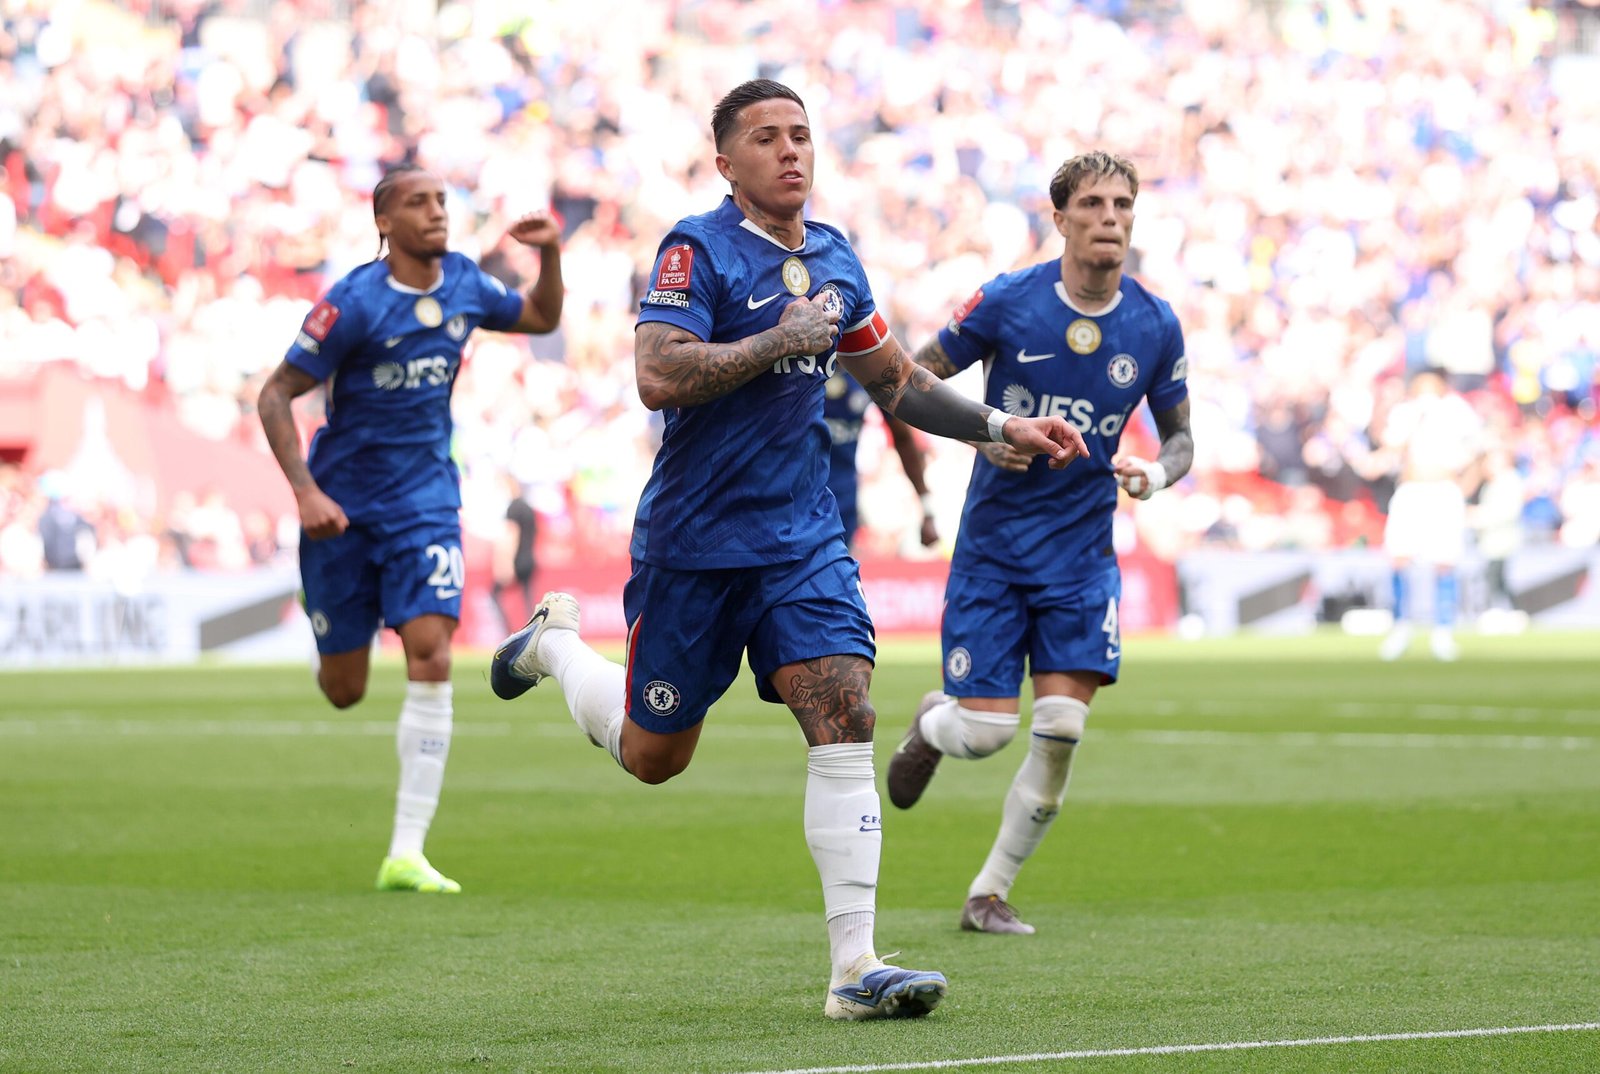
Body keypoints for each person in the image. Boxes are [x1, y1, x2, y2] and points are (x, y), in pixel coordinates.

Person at [489, 79, 1087, 1019]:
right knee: (654, 755)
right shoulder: (697, 249)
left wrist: (997, 426)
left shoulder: (837, 256)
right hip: (696, 541)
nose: (790, 150)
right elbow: (656, 374)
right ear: (726, 163)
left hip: (803, 540)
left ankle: (855, 970)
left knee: (845, 711)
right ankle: (556, 645)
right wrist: (775, 341)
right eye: (766, 138)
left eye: (801, 134)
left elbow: (894, 380)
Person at [885, 151, 1192, 936]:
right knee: (985, 734)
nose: (1109, 218)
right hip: (994, 550)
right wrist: (985, 434)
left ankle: (988, 893)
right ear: (1059, 218)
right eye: (1091, 204)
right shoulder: (1008, 301)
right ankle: (933, 723)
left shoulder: (1155, 324)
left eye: (1122, 204)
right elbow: (909, 382)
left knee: (1060, 733)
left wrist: (1155, 474)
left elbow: (1182, 440)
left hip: (1082, 560)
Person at [257, 163, 564, 894]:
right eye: (417, 203)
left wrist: (551, 254)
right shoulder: (353, 303)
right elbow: (275, 394)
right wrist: (304, 492)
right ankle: (330, 612)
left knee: (431, 651)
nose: (436, 212)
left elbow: (540, 318)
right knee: (344, 689)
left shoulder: (464, 283)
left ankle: (407, 851)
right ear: (384, 223)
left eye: (442, 201)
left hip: (425, 501)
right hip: (341, 509)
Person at [1375, 368, 1484, 662]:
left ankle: (1443, 631)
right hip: (1411, 490)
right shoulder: (1406, 412)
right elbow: (1390, 445)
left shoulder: (1458, 411)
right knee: (1399, 558)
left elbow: (1477, 452)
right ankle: (1401, 626)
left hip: (1443, 491)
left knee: (1444, 562)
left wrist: (1464, 488)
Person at [823, 368, 939, 551]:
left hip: (841, 503)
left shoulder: (866, 367)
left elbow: (903, 438)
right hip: (791, 501)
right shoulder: (793, 366)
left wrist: (927, 509)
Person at [492, 472, 539, 633]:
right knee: (527, 597)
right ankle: (533, 632)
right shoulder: (528, 508)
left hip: (517, 559)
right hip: (529, 558)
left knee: (495, 594)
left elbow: (512, 536)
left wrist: (506, 563)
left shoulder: (513, 508)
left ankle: (509, 632)